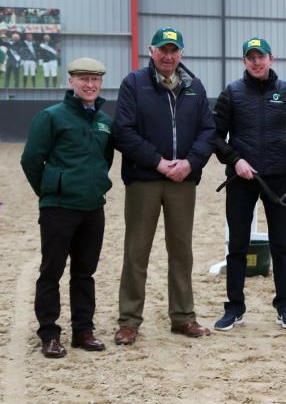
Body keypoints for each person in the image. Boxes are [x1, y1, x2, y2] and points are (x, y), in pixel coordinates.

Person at [112, 26, 215, 345]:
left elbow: (208, 131)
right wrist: (157, 161)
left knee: (181, 251)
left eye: (173, 50)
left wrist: (190, 163)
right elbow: (123, 132)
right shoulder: (133, 84)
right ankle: (129, 320)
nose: (168, 56)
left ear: (181, 53)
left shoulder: (195, 87)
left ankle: (183, 317)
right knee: (136, 250)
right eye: (162, 50)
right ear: (151, 51)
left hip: (182, 181)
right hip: (144, 180)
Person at [212, 37, 286, 331]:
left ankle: (285, 307)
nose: (256, 62)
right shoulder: (231, 93)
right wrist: (235, 160)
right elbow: (215, 137)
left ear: (271, 58)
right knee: (237, 246)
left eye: (261, 56)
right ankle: (234, 308)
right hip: (241, 178)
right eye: (251, 57)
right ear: (244, 61)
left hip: (278, 178)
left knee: (282, 246)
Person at [20, 58, 113, 358]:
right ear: (70, 81)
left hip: (92, 208)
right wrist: (51, 189)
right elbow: (31, 160)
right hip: (58, 208)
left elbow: (105, 160)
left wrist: (95, 186)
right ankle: (49, 334)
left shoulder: (104, 121)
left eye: (95, 79)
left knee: (85, 273)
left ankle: (83, 331)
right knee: (52, 271)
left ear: (100, 83)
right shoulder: (51, 117)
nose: (89, 84)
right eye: (83, 78)